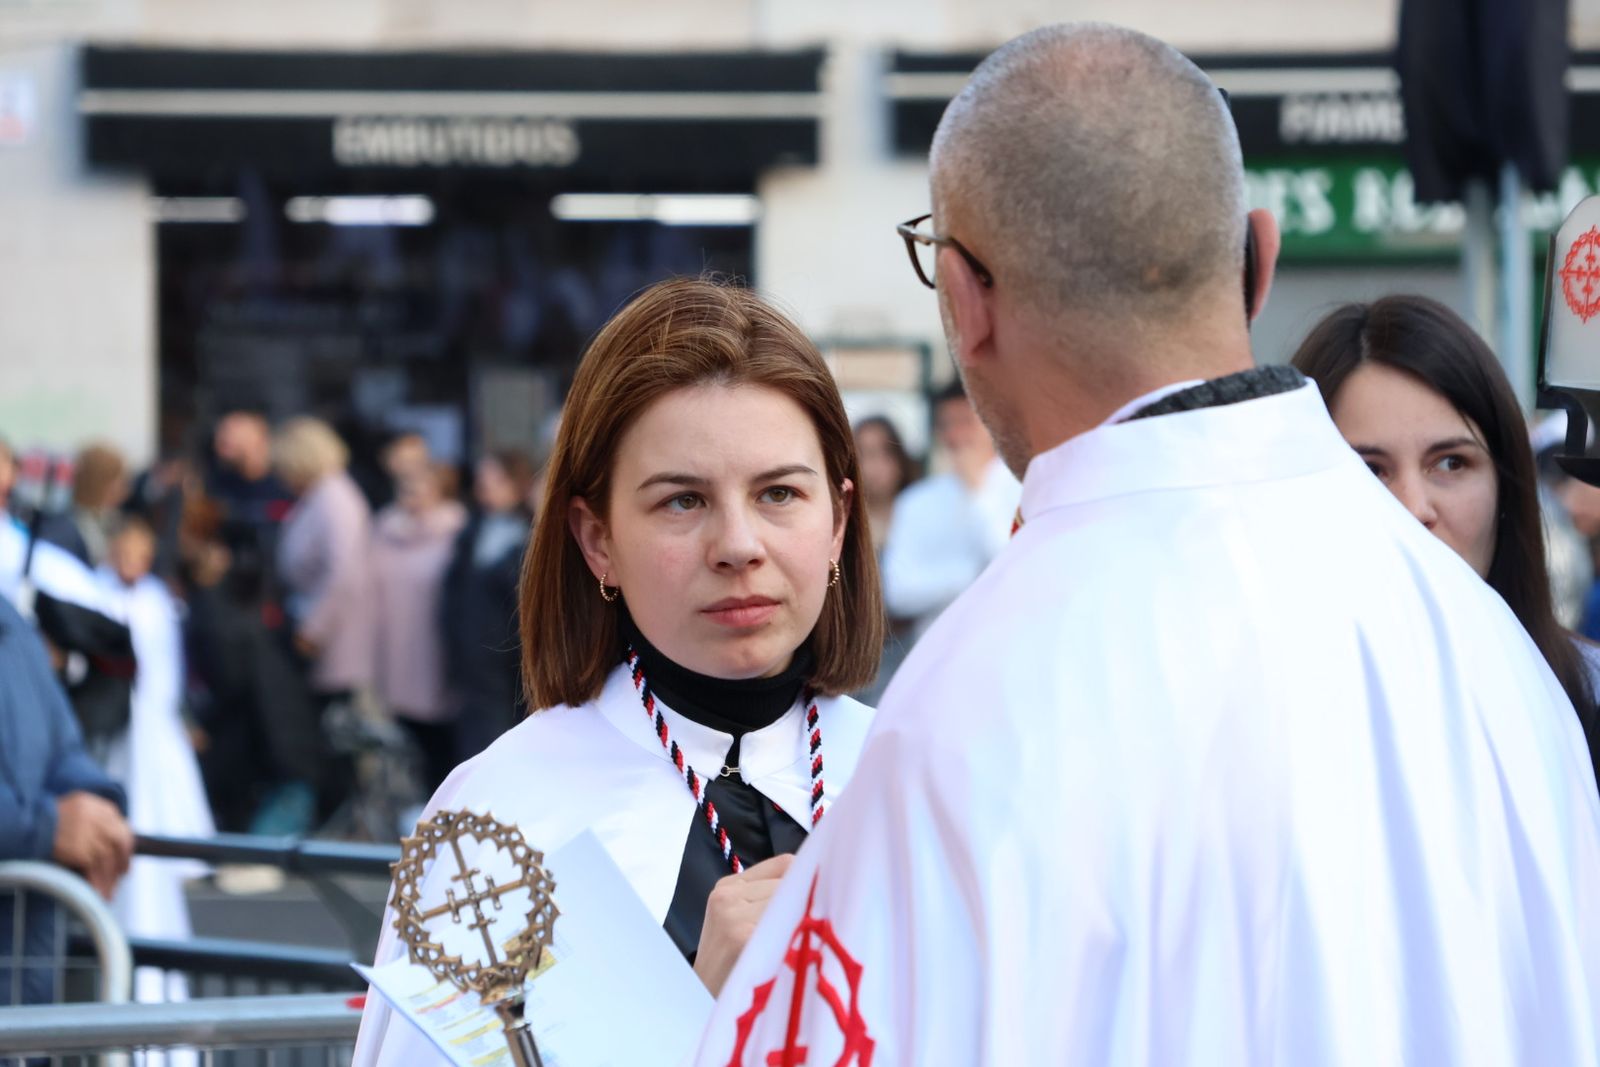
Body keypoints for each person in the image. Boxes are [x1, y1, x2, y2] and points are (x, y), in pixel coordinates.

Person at [693, 24, 1600, 1065]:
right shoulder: (1497, 656)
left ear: (963, 298)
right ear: (1260, 257)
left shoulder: (976, 700)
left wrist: (739, 988)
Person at [353, 278, 886, 1065]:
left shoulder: (915, 777)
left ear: (837, 521)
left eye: (779, 492)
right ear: (597, 538)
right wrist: (697, 1019)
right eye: (683, 501)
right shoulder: (498, 831)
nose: (738, 544)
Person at [1291, 295, 1600, 782]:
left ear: (1504, 484)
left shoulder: (1586, 705)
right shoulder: (1261, 727)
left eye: (1451, 463)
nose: (1414, 508)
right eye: (1369, 470)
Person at [94, 517, 214, 1007]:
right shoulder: (98, 592)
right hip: (117, 732)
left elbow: (163, 671)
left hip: (148, 729)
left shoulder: (155, 602)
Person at [0, 592, 132, 1006]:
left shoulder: (9, 621)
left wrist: (96, 808)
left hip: (23, 988)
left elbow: (62, 746)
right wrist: (47, 827)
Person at [274, 417, 376, 826]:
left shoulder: (336, 500)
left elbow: (344, 574)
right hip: (321, 629)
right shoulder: (322, 496)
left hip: (332, 636)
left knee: (339, 734)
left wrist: (313, 630)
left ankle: (344, 820)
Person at [880, 381, 1020, 639]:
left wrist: (978, 493)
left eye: (966, 421)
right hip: (934, 650)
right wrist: (972, 576)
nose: (957, 435)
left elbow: (1015, 569)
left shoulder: (1021, 487)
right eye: (947, 424)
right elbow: (898, 591)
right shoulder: (916, 501)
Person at [370, 463, 468, 794]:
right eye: (405, 487)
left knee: (441, 740)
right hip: (396, 643)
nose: (410, 496)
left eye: (419, 487)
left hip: (437, 644)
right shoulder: (385, 529)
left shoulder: (455, 530)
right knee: (407, 737)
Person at [440, 448, 536, 765]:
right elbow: (453, 589)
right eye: (482, 479)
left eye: (493, 479)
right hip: (471, 656)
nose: (484, 486)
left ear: (515, 483)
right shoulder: (473, 528)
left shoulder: (530, 532)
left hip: (507, 662)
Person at [852, 416, 918, 702]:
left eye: (884, 453)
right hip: (860, 663)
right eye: (864, 454)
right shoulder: (843, 526)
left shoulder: (919, 516)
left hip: (912, 659)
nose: (874, 467)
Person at [35, 442, 130, 569]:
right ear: (99, 482)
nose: (123, 487)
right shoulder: (65, 527)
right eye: (117, 480)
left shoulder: (115, 520)